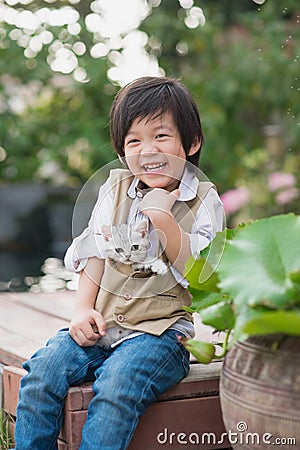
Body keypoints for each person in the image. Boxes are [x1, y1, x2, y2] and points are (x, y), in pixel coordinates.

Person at [14, 76, 224, 450]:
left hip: (160, 335)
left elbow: (202, 276)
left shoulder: (204, 199)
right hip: (104, 325)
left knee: (116, 384)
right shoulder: (114, 190)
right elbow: (95, 252)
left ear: (191, 143)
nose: (147, 151)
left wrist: (164, 221)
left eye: (161, 136)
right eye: (134, 141)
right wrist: (81, 310)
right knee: (42, 373)